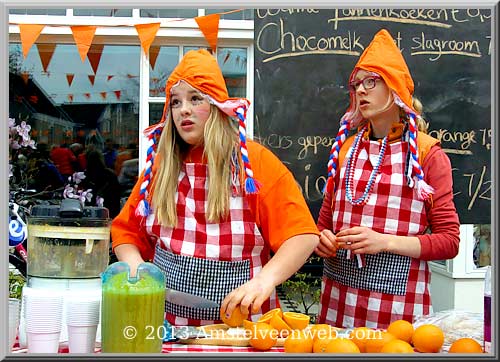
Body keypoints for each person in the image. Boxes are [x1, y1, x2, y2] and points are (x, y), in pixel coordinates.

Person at [111, 49, 319, 326]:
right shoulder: (161, 167)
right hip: (167, 326)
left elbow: (302, 236)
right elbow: (126, 233)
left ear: (218, 107)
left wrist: (264, 281)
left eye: (195, 98)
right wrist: (137, 269)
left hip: (245, 329)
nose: (183, 109)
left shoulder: (253, 163)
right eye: (175, 102)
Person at [315, 29, 460, 330]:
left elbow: (449, 241)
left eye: (372, 81)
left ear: (394, 88)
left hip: (398, 315)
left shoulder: (426, 155)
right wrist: (323, 241)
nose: (361, 91)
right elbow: (322, 226)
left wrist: (385, 242)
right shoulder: (344, 151)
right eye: (357, 84)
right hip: (337, 307)